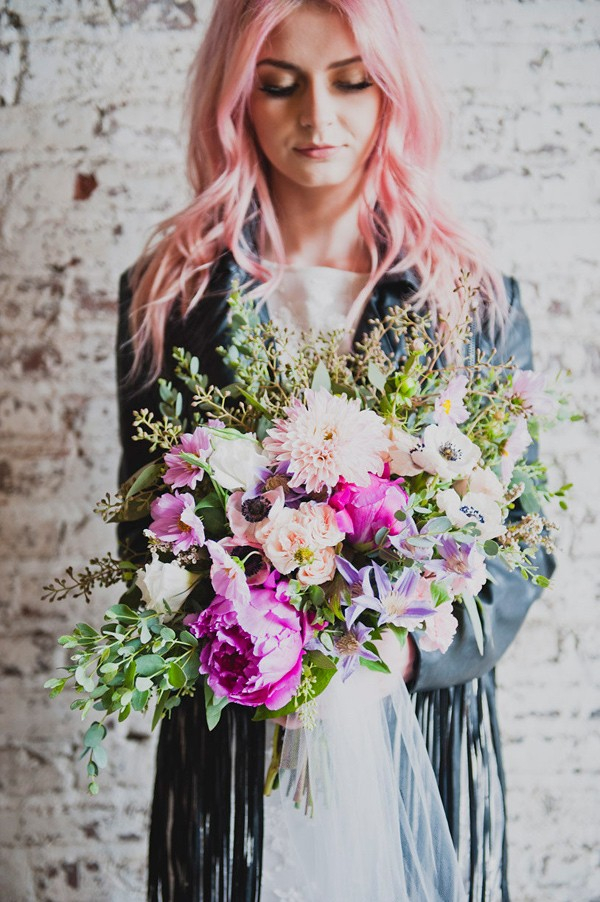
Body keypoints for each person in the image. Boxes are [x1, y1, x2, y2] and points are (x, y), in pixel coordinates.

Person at [116, 1, 555, 900]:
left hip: (415, 742)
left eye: (353, 82)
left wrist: (400, 657)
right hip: (236, 752)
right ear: (236, 98)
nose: (320, 118)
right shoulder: (170, 296)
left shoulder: (469, 298)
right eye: (280, 86)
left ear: (394, 93)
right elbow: (141, 526)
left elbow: (522, 542)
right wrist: (248, 628)